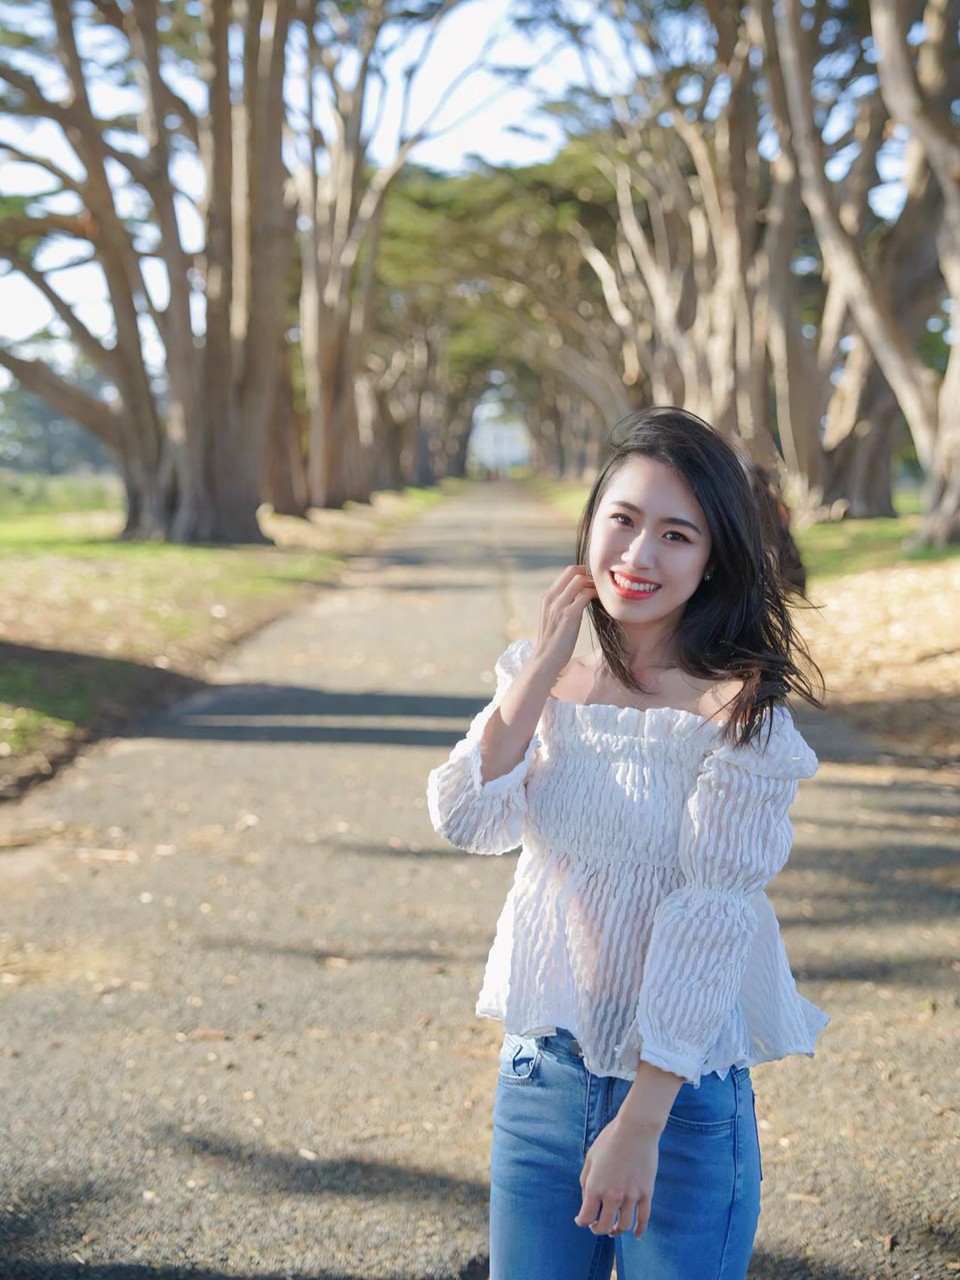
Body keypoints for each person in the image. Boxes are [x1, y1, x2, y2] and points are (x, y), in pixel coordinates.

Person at [425, 406, 829, 1280]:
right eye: (624, 520)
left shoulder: (740, 716)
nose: (639, 556)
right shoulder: (545, 680)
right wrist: (541, 668)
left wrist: (641, 1121)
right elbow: (467, 818)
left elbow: (711, 920)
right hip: (541, 1077)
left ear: (712, 557)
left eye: (676, 535)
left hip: (678, 1101)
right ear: (592, 523)